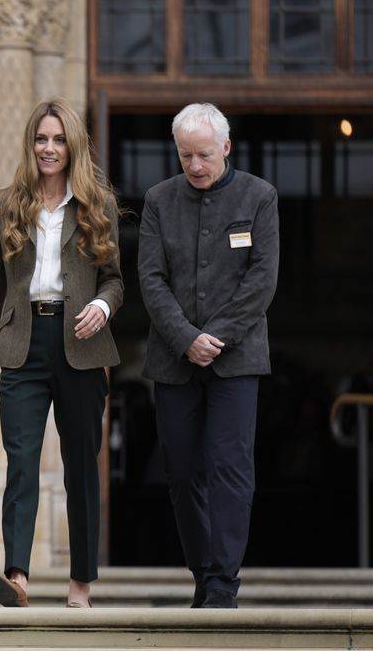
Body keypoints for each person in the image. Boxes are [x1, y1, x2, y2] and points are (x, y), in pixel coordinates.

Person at [0, 99, 123, 609]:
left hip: (81, 343)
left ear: (72, 145)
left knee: (81, 467)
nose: (49, 149)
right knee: (22, 462)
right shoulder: (6, 204)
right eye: (41, 139)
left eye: (58, 140)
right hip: (22, 346)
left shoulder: (98, 203)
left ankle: (81, 583)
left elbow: (116, 281)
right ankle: (17, 574)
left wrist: (101, 304)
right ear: (30, 145)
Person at [138, 102, 279, 609]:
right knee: (182, 472)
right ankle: (202, 572)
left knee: (230, 468)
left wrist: (213, 337)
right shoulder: (158, 200)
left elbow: (261, 281)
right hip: (174, 362)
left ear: (226, 146)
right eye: (185, 156)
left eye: (203, 155)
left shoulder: (259, 197)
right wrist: (185, 338)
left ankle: (223, 581)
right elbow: (151, 280)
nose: (194, 165)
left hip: (237, 360)